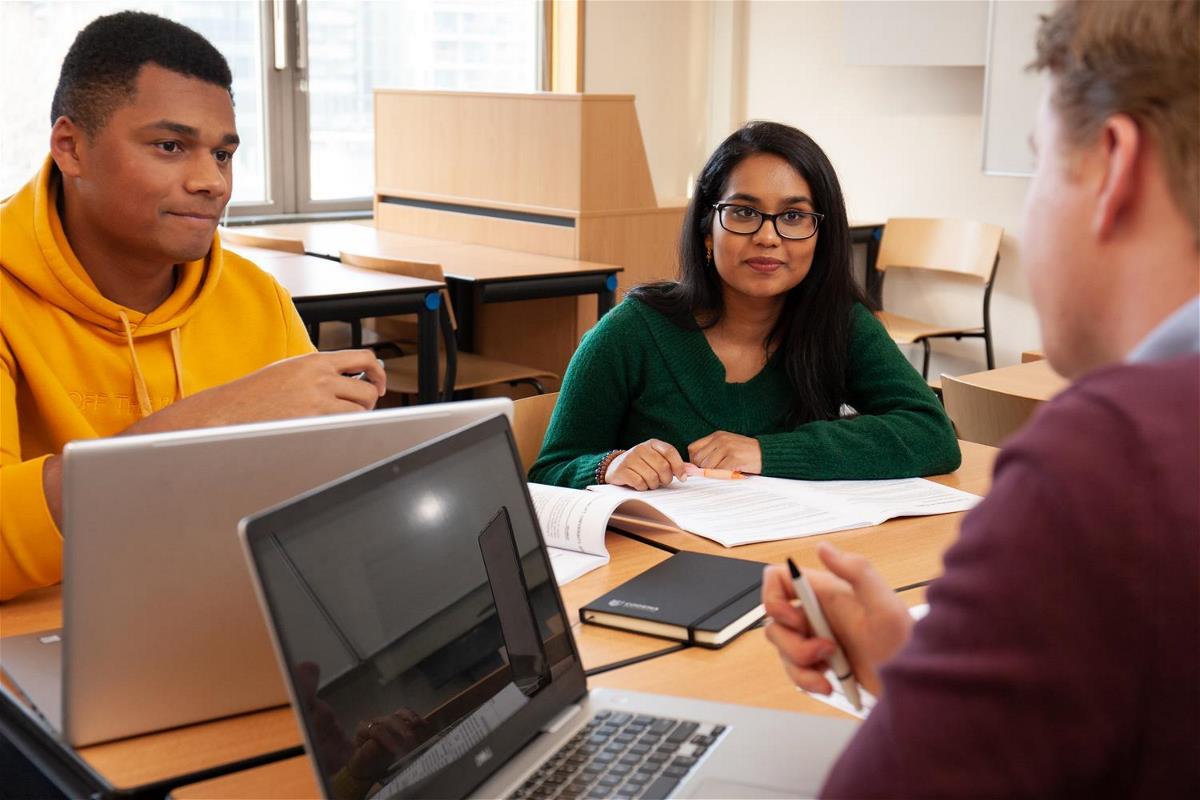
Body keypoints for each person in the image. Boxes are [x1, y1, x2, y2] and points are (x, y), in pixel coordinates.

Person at [762, 1, 1199, 796]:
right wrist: (928, 682)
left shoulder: (1111, 459)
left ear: (1113, 165)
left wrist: (912, 711)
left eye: (1038, 166)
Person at [0, 11, 386, 602]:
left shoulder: (257, 297)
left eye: (224, 155)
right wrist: (219, 418)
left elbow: (318, 507)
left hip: (226, 609)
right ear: (70, 147)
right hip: (50, 634)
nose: (213, 183)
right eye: (171, 146)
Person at [530, 122, 960, 491]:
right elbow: (548, 471)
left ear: (820, 236)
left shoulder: (839, 324)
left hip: (792, 558)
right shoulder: (632, 331)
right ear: (706, 232)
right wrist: (607, 467)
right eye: (743, 213)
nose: (768, 237)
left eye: (794, 217)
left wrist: (765, 451)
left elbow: (932, 434)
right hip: (662, 568)